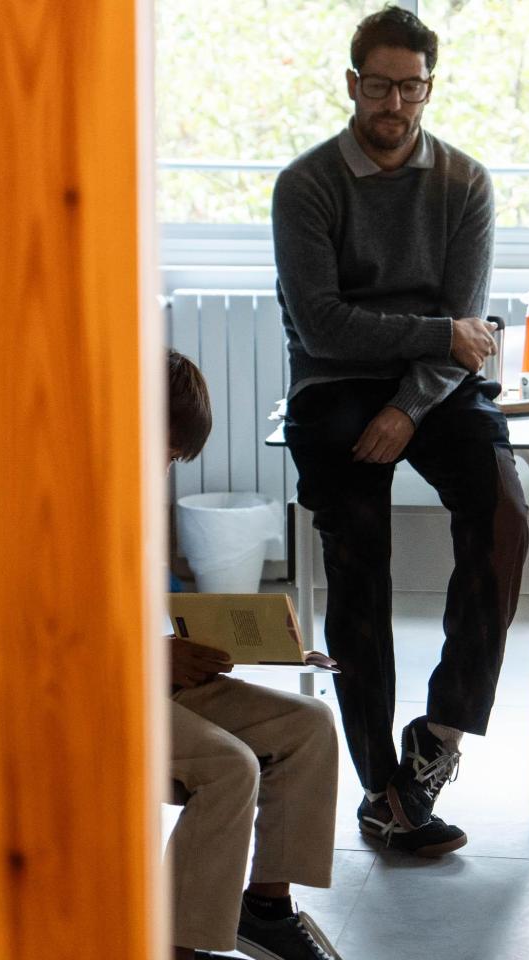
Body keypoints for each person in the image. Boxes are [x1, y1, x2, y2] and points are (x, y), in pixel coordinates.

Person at [272, 6, 529, 857]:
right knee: (358, 559)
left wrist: (410, 404)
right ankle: (382, 786)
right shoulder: (306, 186)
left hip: (432, 389)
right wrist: (434, 338)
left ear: (429, 87)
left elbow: (467, 329)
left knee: (505, 515)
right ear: (352, 84)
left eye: (409, 87)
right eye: (377, 85)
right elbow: (323, 326)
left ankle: (439, 738)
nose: (393, 102)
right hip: (334, 383)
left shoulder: (464, 182)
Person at [163, 350, 346, 960]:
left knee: (309, 724)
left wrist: (259, 645)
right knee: (229, 766)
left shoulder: (132, 498)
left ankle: (266, 908)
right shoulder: (64, 498)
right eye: (162, 452)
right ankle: (178, 944)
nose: (163, 469)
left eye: (172, 459)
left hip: (153, 675)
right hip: (96, 692)